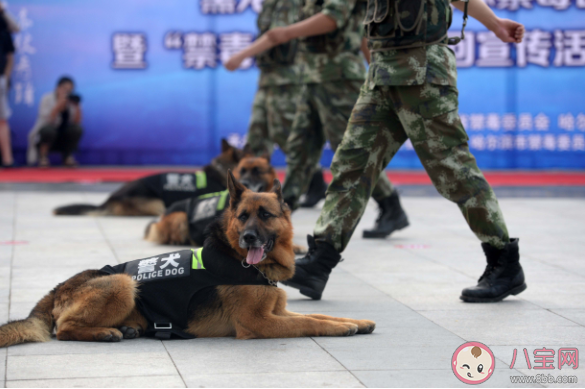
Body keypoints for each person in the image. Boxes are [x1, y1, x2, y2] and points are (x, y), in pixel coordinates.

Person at [228, 0, 527, 303]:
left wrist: (495, 23)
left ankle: (504, 261)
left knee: (453, 170)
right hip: (381, 74)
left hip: (421, 70)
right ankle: (319, 262)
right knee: (351, 166)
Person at [228, 0, 409, 239]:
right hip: (311, 77)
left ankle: (390, 206)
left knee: (350, 149)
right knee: (300, 146)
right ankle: (282, 207)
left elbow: (336, 21)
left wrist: (284, 33)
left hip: (339, 79)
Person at [27, 76, 83, 167]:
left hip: (63, 136)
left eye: (70, 90)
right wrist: (58, 105)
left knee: (77, 129)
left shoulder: (73, 101)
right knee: (49, 130)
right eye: (65, 89)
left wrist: (77, 107)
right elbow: (48, 121)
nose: (67, 92)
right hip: (45, 135)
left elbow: (77, 122)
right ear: (58, 88)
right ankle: (43, 157)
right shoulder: (47, 98)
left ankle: (67, 157)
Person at [0, 7, 18, 168]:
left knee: (1, 120)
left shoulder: (3, 32)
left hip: (0, 78)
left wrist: (5, 77)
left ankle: (7, 159)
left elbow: (17, 28)